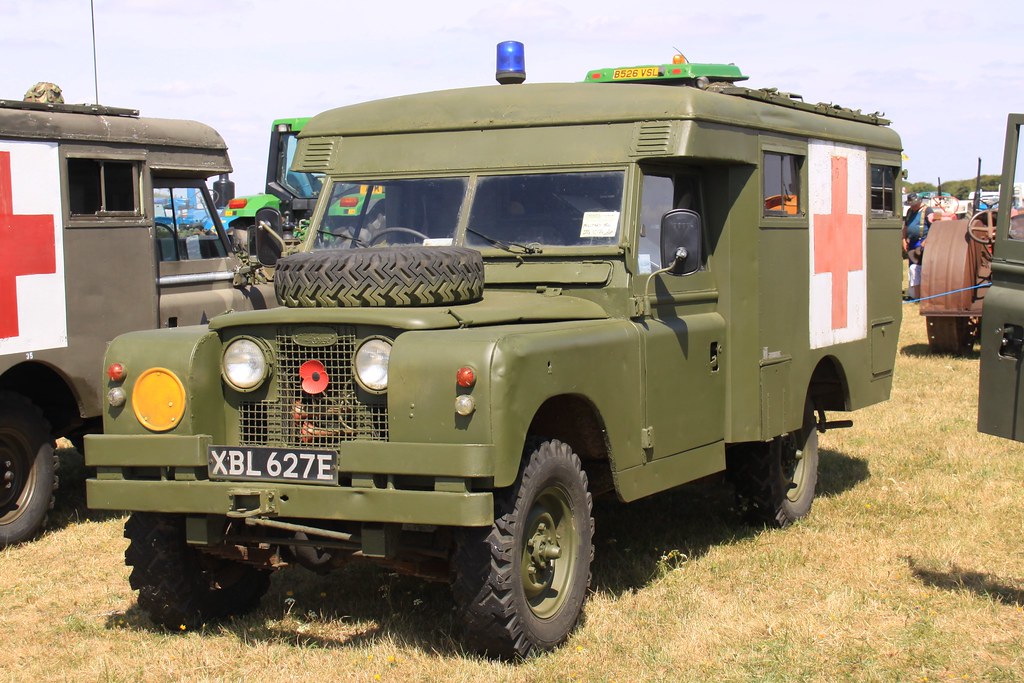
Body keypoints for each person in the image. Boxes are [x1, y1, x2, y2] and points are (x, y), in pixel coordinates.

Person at [902, 193, 934, 300]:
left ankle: (922, 294)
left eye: (914, 204)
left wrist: (926, 241)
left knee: (920, 269)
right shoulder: (910, 211)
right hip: (912, 242)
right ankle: (914, 293)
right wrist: (903, 239)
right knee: (912, 268)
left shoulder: (927, 211)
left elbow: (933, 227)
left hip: (922, 242)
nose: (913, 206)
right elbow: (906, 226)